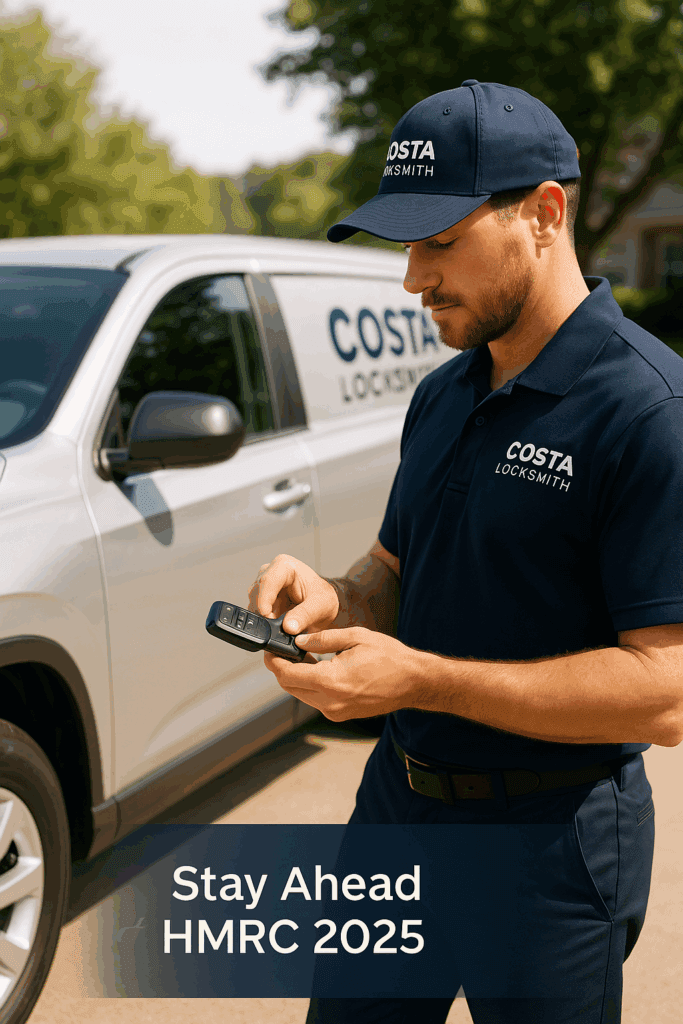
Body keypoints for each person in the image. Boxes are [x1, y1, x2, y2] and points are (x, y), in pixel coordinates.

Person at [247, 81, 681, 1023]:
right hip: (396, 810)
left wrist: (418, 681)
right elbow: (391, 574)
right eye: (406, 246)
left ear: (544, 215)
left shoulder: (650, 412)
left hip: (550, 842)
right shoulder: (442, 395)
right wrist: (330, 600)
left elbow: (666, 692)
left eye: (439, 242)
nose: (412, 279)